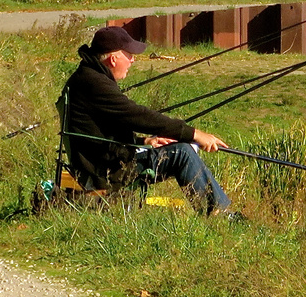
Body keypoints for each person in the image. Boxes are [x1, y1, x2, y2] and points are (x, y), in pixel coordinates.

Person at [61, 25, 236, 217]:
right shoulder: (94, 83)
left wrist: (143, 142)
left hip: (100, 162)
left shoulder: (87, 75)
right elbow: (137, 116)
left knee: (180, 148)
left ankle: (217, 210)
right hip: (108, 172)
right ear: (113, 59)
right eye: (130, 55)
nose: (133, 60)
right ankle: (219, 214)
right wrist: (194, 134)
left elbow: (96, 133)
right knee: (182, 153)